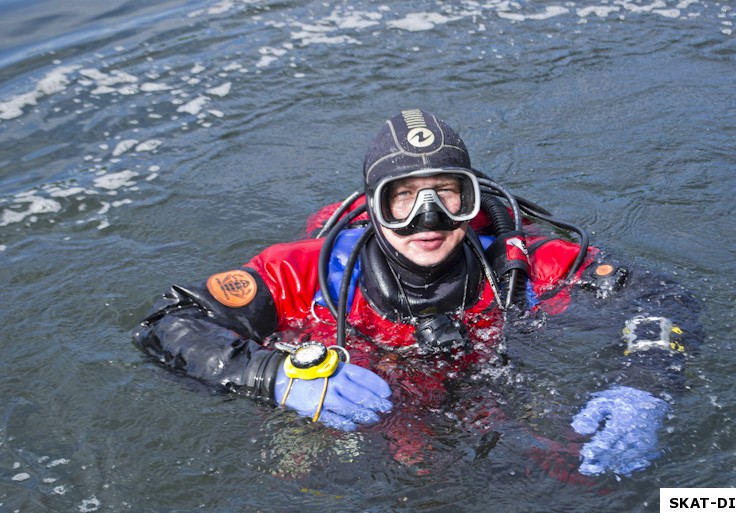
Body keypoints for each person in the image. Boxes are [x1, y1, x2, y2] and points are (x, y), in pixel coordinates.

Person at [133, 109, 700, 477]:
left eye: (447, 194)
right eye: (402, 199)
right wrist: (273, 377)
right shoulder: (307, 272)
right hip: (358, 404)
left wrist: (645, 386)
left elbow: (660, 301)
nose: (428, 219)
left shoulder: (524, 266)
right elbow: (170, 321)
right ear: (373, 208)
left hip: (491, 399)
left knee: (582, 481)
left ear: (472, 201)